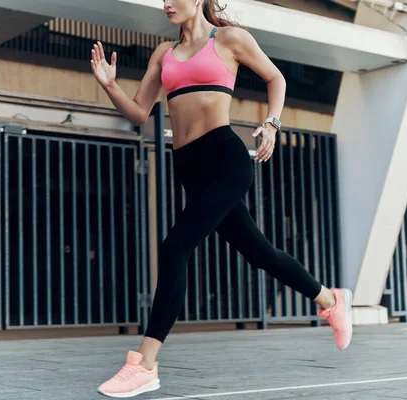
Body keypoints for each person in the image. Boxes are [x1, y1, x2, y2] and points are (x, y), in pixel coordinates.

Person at [90, 0, 353, 397]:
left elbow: (276, 78)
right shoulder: (164, 53)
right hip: (188, 167)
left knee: (175, 247)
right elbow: (140, 113)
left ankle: (144, 363)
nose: (166, 4)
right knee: (258, 251)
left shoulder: (229, 39)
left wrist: (271, 123)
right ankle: (329, 297)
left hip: (225, 159)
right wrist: (111, 86)